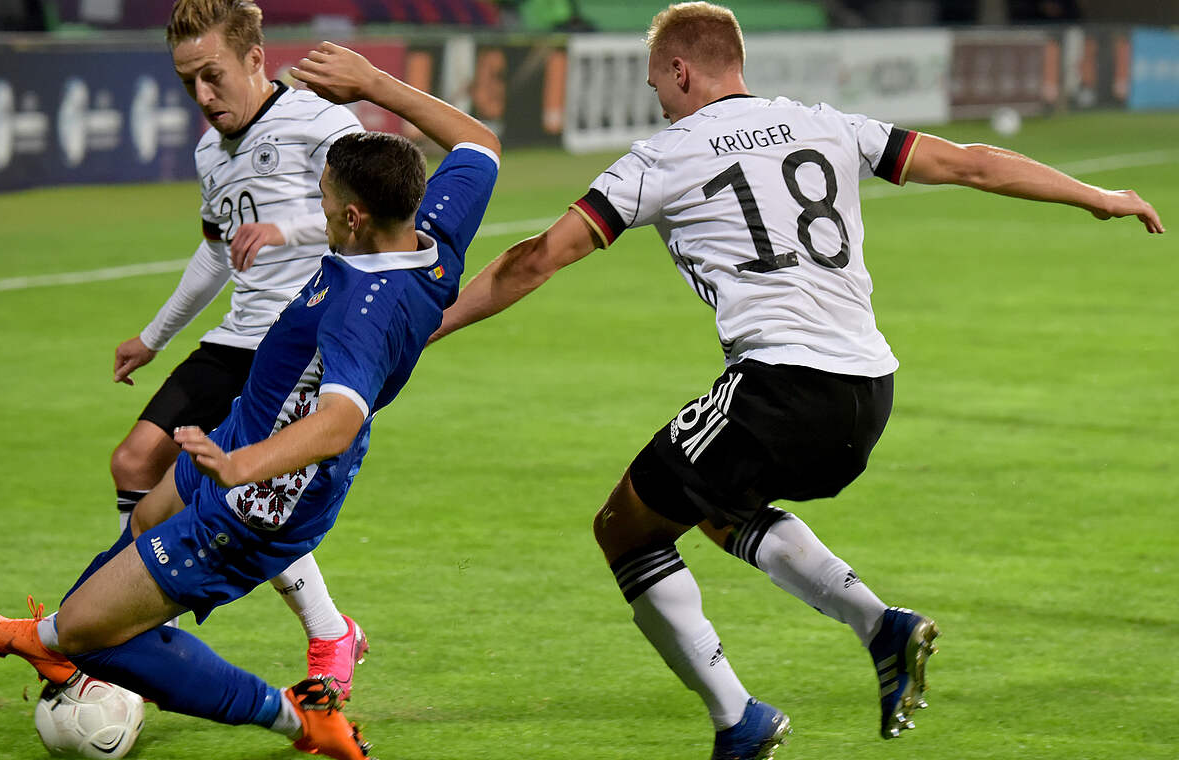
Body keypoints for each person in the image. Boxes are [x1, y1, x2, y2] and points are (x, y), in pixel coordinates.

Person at [429, 3, 1163, 759]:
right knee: (711, 502)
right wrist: (1098, 196)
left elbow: (535, 259)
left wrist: (431, 324)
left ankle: (739, 720)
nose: (658, 101)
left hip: (781, 385)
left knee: (624, 528)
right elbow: (972, 161)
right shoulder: (829, 123)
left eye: (658, 85)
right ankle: (882, 629)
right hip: (869, 393)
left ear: (680, 71)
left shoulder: (661, 156)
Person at [0, 42, 501, 760]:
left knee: (93, 634)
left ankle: (297, 720)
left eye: (329, 206)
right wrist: (373, 84)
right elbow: (481, 142)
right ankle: (66, 634)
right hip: (249, 424)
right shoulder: (433, 228)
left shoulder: (363, 310)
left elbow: (338, 422)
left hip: (260, 492)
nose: (322, 215)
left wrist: (243, 466)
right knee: (144, 511)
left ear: (357, 217)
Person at [109, 0, 368, 696]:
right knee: (133, 461)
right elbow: (215, 254)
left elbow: (374, 208)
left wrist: (290, 231)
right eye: (186, 80)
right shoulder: (207, 152)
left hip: (298, 344)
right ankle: (132, 625)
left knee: (244, 493)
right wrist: (153, 337)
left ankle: (328, 634)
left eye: (212, 75)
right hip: (234, 338)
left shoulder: (319, 120)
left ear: (255, 59)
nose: (201, 95)